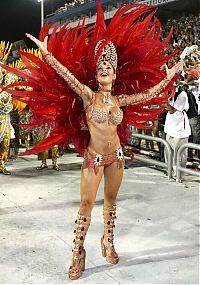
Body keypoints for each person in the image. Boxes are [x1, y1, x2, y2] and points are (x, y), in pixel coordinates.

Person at [0, 2, 182, 279]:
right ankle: (78, 252)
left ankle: (108, 241)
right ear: (96, 76)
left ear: (116, 73)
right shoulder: (88, 95)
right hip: (94, 158)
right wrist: (47, 54)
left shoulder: (120, 100)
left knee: (111, 201)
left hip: (117, 157)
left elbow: (147, 94)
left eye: (108, 67)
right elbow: (67, 76)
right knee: (86, 205)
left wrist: (168, 78)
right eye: (100, 68)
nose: (104, 69)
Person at [164, 80, 191, 178]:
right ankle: (170, 172)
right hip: (169, 128)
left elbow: (171, 110)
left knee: (179, 155)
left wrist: (163, 100)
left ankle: (178, 175)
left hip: (180, 130)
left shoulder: (182, 94)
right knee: (169, 153)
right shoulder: (169, 94)